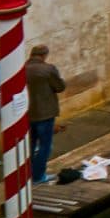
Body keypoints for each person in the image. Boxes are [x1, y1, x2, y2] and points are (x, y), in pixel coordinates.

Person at [25, 45, 64, 183]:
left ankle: (28, 173)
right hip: (45, 112)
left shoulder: (22, 68)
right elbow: (60, 87)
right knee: (45, 146)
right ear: (44, 55)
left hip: (28, 113)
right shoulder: (48, 69)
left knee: (30, 145)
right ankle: (38, 175)